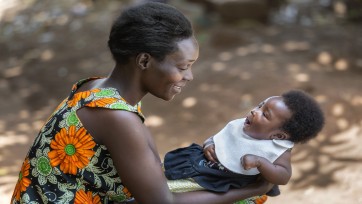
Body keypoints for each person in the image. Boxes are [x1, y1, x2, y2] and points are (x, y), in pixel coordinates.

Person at [11, 2, 273, 204]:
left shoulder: (95, 87)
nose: (189, 76)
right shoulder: (116, 117)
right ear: (145, 61)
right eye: (183, 67)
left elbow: (150, 169)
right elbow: (160, 201)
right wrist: (254, 188)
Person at [164, 90, 325, 198]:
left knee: (173, 191)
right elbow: (220, 137)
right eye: (260, 105)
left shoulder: (279, 150)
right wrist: (208, 144)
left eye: (265, 114)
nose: (255, 111)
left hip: (221, 182)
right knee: (164, 172)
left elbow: (283, 176)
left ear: (277, 135)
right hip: (202, 163)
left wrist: (261, 163)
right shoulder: (244, 126)